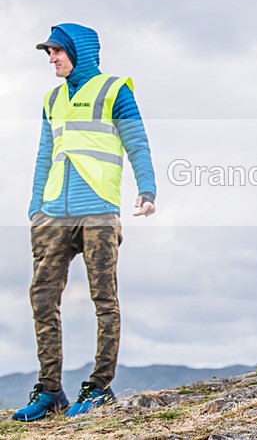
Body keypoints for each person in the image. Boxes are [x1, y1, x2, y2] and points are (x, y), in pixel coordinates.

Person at [13, 24, 156, 421]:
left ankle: (99, 388)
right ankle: (50, 391)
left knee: (103, 298)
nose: (52, 59)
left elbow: (137, 142)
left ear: (80, 51)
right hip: (53, 213)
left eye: (58, 51)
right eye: (49, 53)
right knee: (42, 297)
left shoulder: (114, 90)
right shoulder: (51, 99)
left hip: (99, 211)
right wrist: (34, 208)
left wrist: (147, 189)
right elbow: (45, 153)